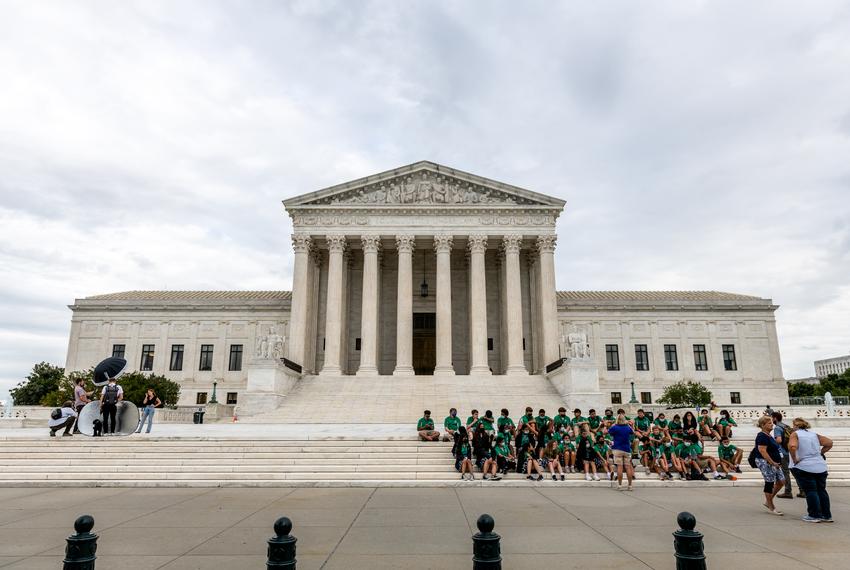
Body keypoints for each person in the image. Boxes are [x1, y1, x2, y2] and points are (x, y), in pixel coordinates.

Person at [788, 417, 833, 522]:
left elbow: (792, 446)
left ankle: (814, 515)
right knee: (822, 490)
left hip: (804, 466)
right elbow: (829, 443)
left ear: (796, 426)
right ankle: (826, 515)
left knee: (811, 491)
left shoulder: (795, 434)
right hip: (820, 466)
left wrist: (794, 459)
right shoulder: (814, 435)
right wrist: (820, 453)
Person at [755, 415, 786, 516]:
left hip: (775, 462)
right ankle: (771, 506)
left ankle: (768, 501)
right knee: (769, 483)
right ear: (763, 425)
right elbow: (762, 450)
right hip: (766, 462)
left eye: (772, 422)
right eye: (769, 423)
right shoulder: (762, 436)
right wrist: (772, 462)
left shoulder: (769, 435)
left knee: (781, 481)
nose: (772, 424)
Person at [607, 414, 635, 491]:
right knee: (627, 467)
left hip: (617, 448)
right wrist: (631, 425)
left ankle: (620, 485)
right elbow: (632, 432)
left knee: (620, 467)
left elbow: (608, 432)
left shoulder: (615, 427)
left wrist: (612, 424)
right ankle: (630, 486)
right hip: (626, 449)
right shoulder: (627, 427)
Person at [771, 412, 795, 499]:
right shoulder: (786, 426)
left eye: (772, 418)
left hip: (783, 452)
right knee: (794, 471)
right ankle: (802, 490)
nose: (771, 420)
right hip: (790, 451)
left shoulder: (777, 428)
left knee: (785, 472)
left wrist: (772, 441)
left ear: (775, 418)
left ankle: (788, 491)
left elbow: (779, 440)